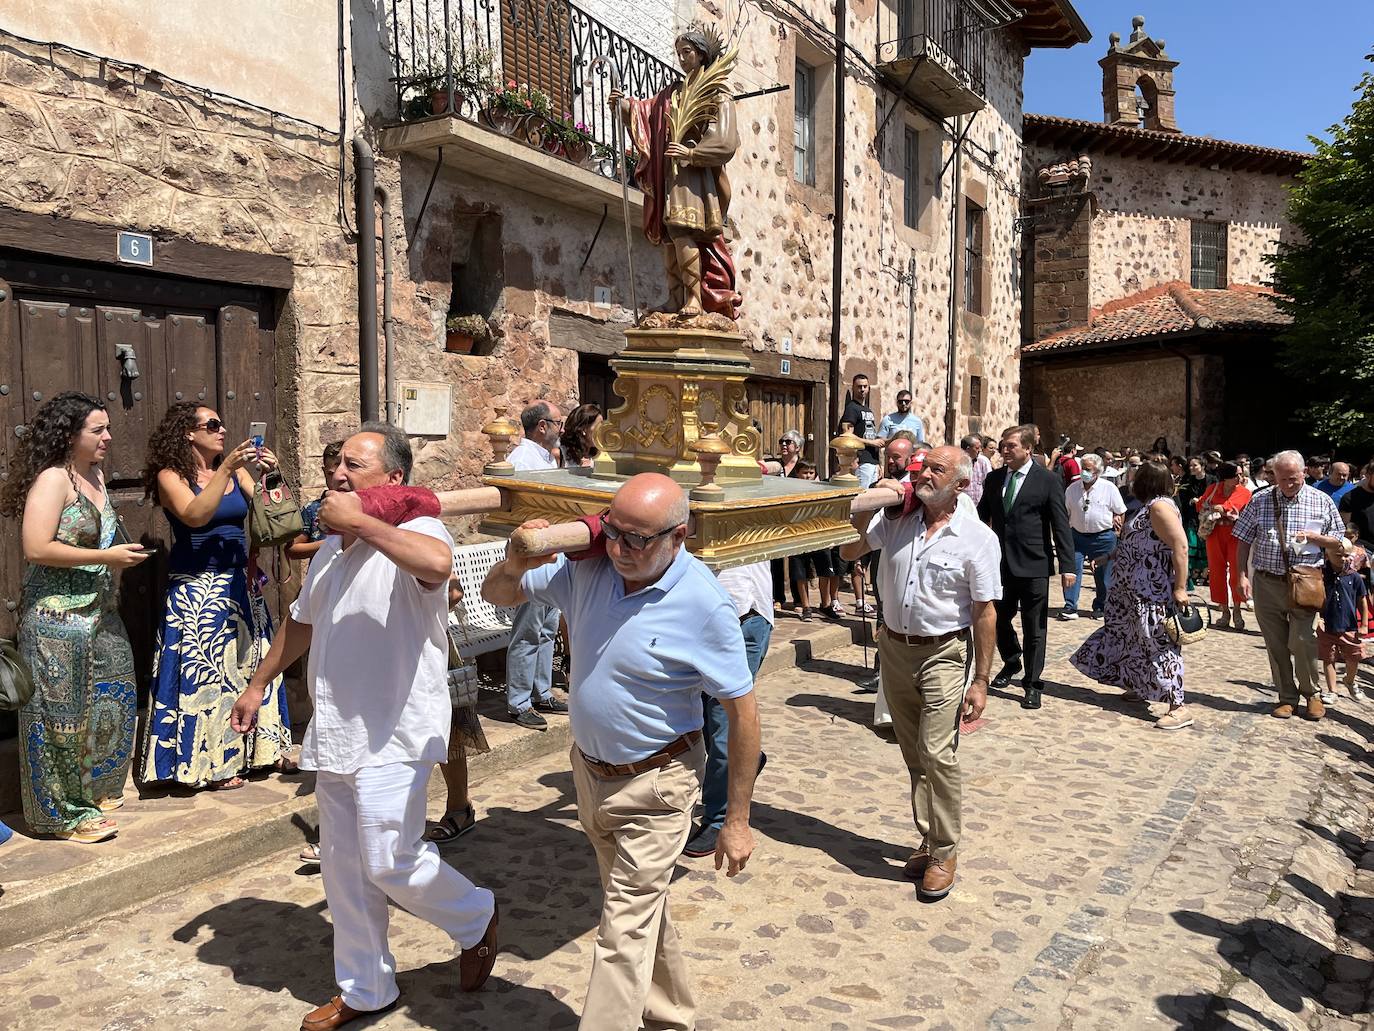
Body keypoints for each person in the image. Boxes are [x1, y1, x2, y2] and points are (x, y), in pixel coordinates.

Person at [231, 423, 499, 1030]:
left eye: (355, 464)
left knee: (388, 859)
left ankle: (475, 915)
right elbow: (301, 623)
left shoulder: (417, 529)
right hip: (337, 731)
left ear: (393, 480)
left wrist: (362, 523)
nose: (338, 473)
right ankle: (366, 987)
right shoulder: (329, 552)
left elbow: (437, 565)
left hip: (396, 730)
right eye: (336, 464)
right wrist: (258, 683)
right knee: (344, 868)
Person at [482, 473, 759, 1031]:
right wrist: (516, 559)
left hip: (658, 785)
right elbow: (500, 594)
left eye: (638, 540)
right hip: (590, 773)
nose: (619, 549)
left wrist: (737, 820)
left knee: (621, 931)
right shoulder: (589, 568)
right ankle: (671, 1017)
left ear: (678, 536)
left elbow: (743, 713)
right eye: (613, 532)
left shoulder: (704, 603)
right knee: (637, 912)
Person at [839, 446, 1000, 900]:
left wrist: (982, 680)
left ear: (961, 484)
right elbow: (851, 550)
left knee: (937, 752)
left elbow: (985, 612)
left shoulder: (977, 538)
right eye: (922, 467)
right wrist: (874, 500)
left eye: (936, 470)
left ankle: (945, 851)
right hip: (894, 647)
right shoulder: (897, 521)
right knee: (914, 753)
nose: (923, 474)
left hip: (943, 653)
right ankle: (929, 839)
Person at [1, 392, 146, 843]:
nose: (107, 437)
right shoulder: (53, 479)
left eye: (107, 428)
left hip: (100, 614)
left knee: (115, 696)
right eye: (97, 430)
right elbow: (37, 547)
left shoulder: (96, 476)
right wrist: (107, 554)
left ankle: (95, 791)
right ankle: (61, 814)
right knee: (61, 720)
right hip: (56, 621)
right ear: (69, 435)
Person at [139, 402, 290, 790]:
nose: (222, 431)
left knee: (242, 669)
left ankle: (256, 753)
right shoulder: (170, 475)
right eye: (213, 425)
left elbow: (267, 513)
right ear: (188, 433)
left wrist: (272, 476)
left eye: (222, 424)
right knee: (205, 676)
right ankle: (206, 764)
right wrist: (223, 470)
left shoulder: (235, 470)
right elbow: (194, 515)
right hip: (196, 588)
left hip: (238, 583)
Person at [608, 29, 740, 317]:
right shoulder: (674, 93)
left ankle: (693, 298)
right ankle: (674, 297)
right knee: (669, 236)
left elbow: (726, 141)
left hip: (692, 176)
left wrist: (692, 154)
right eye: (678, 53)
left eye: (687, 52)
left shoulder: (716, 93)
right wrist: (624, 106)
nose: (681, 59)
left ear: (702, 54)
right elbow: (650, 111)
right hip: (669, 173)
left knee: (683, 232)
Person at [1070, 462, 1192, 730]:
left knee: (1156, 643)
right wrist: (1108, 556)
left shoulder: (1160, 507)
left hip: (1150, 591)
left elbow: (1180, 546)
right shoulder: (1146, 507)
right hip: (1130, 591)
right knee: (1132, 640)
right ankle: (1139, 685)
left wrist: (1180, 588)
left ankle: (1177, 705)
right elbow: (1135, 542)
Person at [1234, 450, 1346, 721]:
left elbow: (1339, 540)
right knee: (1275, 643)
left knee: (1303, 639)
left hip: (1305, 580)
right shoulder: (1261, 499)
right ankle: (1287, 697)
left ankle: (1312, 694)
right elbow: (1243, 538)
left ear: (1304, 472)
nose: (1288, 484)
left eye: (1293, 478)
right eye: (1282, 479)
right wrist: (1240, 575)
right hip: (1266, 581)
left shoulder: (1322, 501)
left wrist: (1316, 538)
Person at [977, 424, 1075, 710]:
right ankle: (1011, 660)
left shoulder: (1046, 479)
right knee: (997, 619)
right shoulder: (994, 479)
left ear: (1028, 449)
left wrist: (1068, 565)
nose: (1004, 450)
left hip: (1034, 565)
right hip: (1000, 565)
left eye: (1011, 446)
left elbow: (1060, 524)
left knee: (1035, 629)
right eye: (1003, 446)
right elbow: (982, 516)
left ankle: (1032, 684)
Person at [684, 561, 771, 858]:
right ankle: (747, 758)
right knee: (705, 718)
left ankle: (718, 817)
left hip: (745, 619)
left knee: (725, 722)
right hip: (697, 623)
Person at [504, 400, 569, 730]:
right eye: (558, 422)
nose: (562, 428)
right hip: (531, 553)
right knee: (528, 629)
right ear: (541, 426)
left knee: (546, 628)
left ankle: (541, 690)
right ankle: (518, 701)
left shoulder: (545, 458)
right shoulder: (522, 460)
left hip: (550, 550)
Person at [1060, 454, 1126, 620]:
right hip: (1077, 537)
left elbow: (1120, 510)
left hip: (1103, 537)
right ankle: (1070, 606)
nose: (1084, 472)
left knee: (1103, 575)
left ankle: (1101, 606)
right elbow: (1065, 512)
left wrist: (1117, 530)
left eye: (1088, 469)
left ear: (1097, 471)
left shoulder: (1109, 488)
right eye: (1083, 468)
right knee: (1071, 571)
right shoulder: (1072, 489)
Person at [1196, 462, 1251, 630]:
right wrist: (1217, 508)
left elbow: (1235, 506)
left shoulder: (1244, 491)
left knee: (1237, 571)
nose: (1241, 478)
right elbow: (1200, 504)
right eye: (1237, 475)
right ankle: (1224, 610)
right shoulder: (1214, 488)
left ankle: (1237, 610)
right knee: (1216, 571)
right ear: (1227, 477)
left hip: (1235, 534)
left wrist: (1220, 508)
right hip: (1215, 533)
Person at [1317, 540, 1367, 705]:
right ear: (1327, 555)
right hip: (1327, 625)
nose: (1343, 559)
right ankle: (1332, 691)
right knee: (1328, 659)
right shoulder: (1322, 575)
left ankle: (1350, 681)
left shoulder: (1354, 577)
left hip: (1349, 626)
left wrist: (1364, 624)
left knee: (1354, 657)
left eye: (1347, 555)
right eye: (1338, 556)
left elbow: (1362, 601)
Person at [790, 461, 839, 621]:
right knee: (800, 573)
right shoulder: (791, 490)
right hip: (799, 535)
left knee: (825, 570)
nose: (808, 476)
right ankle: (806, 607)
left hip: (819, 534)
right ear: (798, 473)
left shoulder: (820, 489)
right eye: (805, 472)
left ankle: (825, 604)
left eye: (811, 473)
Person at [287, 440, 344, 564]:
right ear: (324, 472)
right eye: (331, 474)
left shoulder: (363, 507)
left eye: (343, 473)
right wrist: (331, 544)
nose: (337, 479)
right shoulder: (312, 509)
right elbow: (292, 549)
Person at [839, 373, 883, 488]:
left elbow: (871, 435)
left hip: (871, 461)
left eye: (865, 386)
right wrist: (871, 443)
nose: (862, 390)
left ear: (868, 388)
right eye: (859, 386)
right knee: (862, 496)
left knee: (872, 498)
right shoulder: (851, 408)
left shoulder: (868, 410)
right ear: (853, 387)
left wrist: (877, 463)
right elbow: (846, 435)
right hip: (861, 461)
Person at [1176, 456, 1211, 589]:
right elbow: (1183, 498)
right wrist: (1191, 501)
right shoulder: (1187, 481)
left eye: (1194, 465)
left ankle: (1205, 575)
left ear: (1202, 466)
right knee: (1191, 545)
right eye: (1190, 466)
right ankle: (1188, 580)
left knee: (1206, 548)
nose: (1191, 468)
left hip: (1207, 519)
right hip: (1191, 517)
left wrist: (1203, 501)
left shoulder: (1212, 481)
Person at [561, 403, 603, 469]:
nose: (602, 431)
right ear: (584, 429)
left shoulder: (601, 455)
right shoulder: (561, 454)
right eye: (598, 427)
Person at [961, 433, 991, 505]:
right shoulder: (957, 462)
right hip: (962, 505)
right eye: (977, 448)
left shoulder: (983, 461)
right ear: (968, 449)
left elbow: (989, 483)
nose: (980, 450)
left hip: (980, 505)